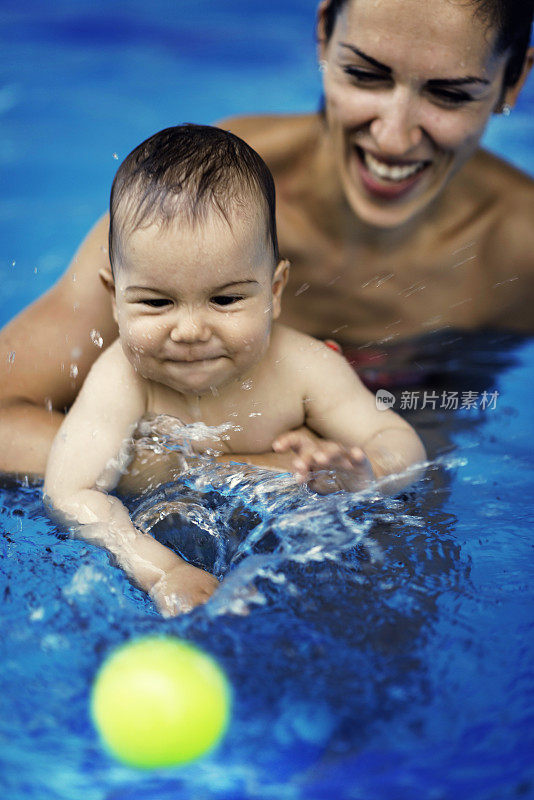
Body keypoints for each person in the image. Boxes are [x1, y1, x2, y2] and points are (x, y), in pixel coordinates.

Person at [1, 0, 533, 478]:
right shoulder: (207, 204)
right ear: (323, 34)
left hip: (415, 421)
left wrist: (348, 473)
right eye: (364, 75)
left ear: (513, 82)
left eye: (449, 94)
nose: (393, 137)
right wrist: (239, 474)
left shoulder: (521, 252)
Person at [43, 125, 425, 615]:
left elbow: (401, 442)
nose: (190, 330)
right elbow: (70, 491)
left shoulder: (303, 367)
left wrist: (366, 474)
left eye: (225, 299)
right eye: (157, 302)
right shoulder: (122, 379)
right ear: (114, 299)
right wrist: (162, 570)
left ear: (275, 291)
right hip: (169, 554)